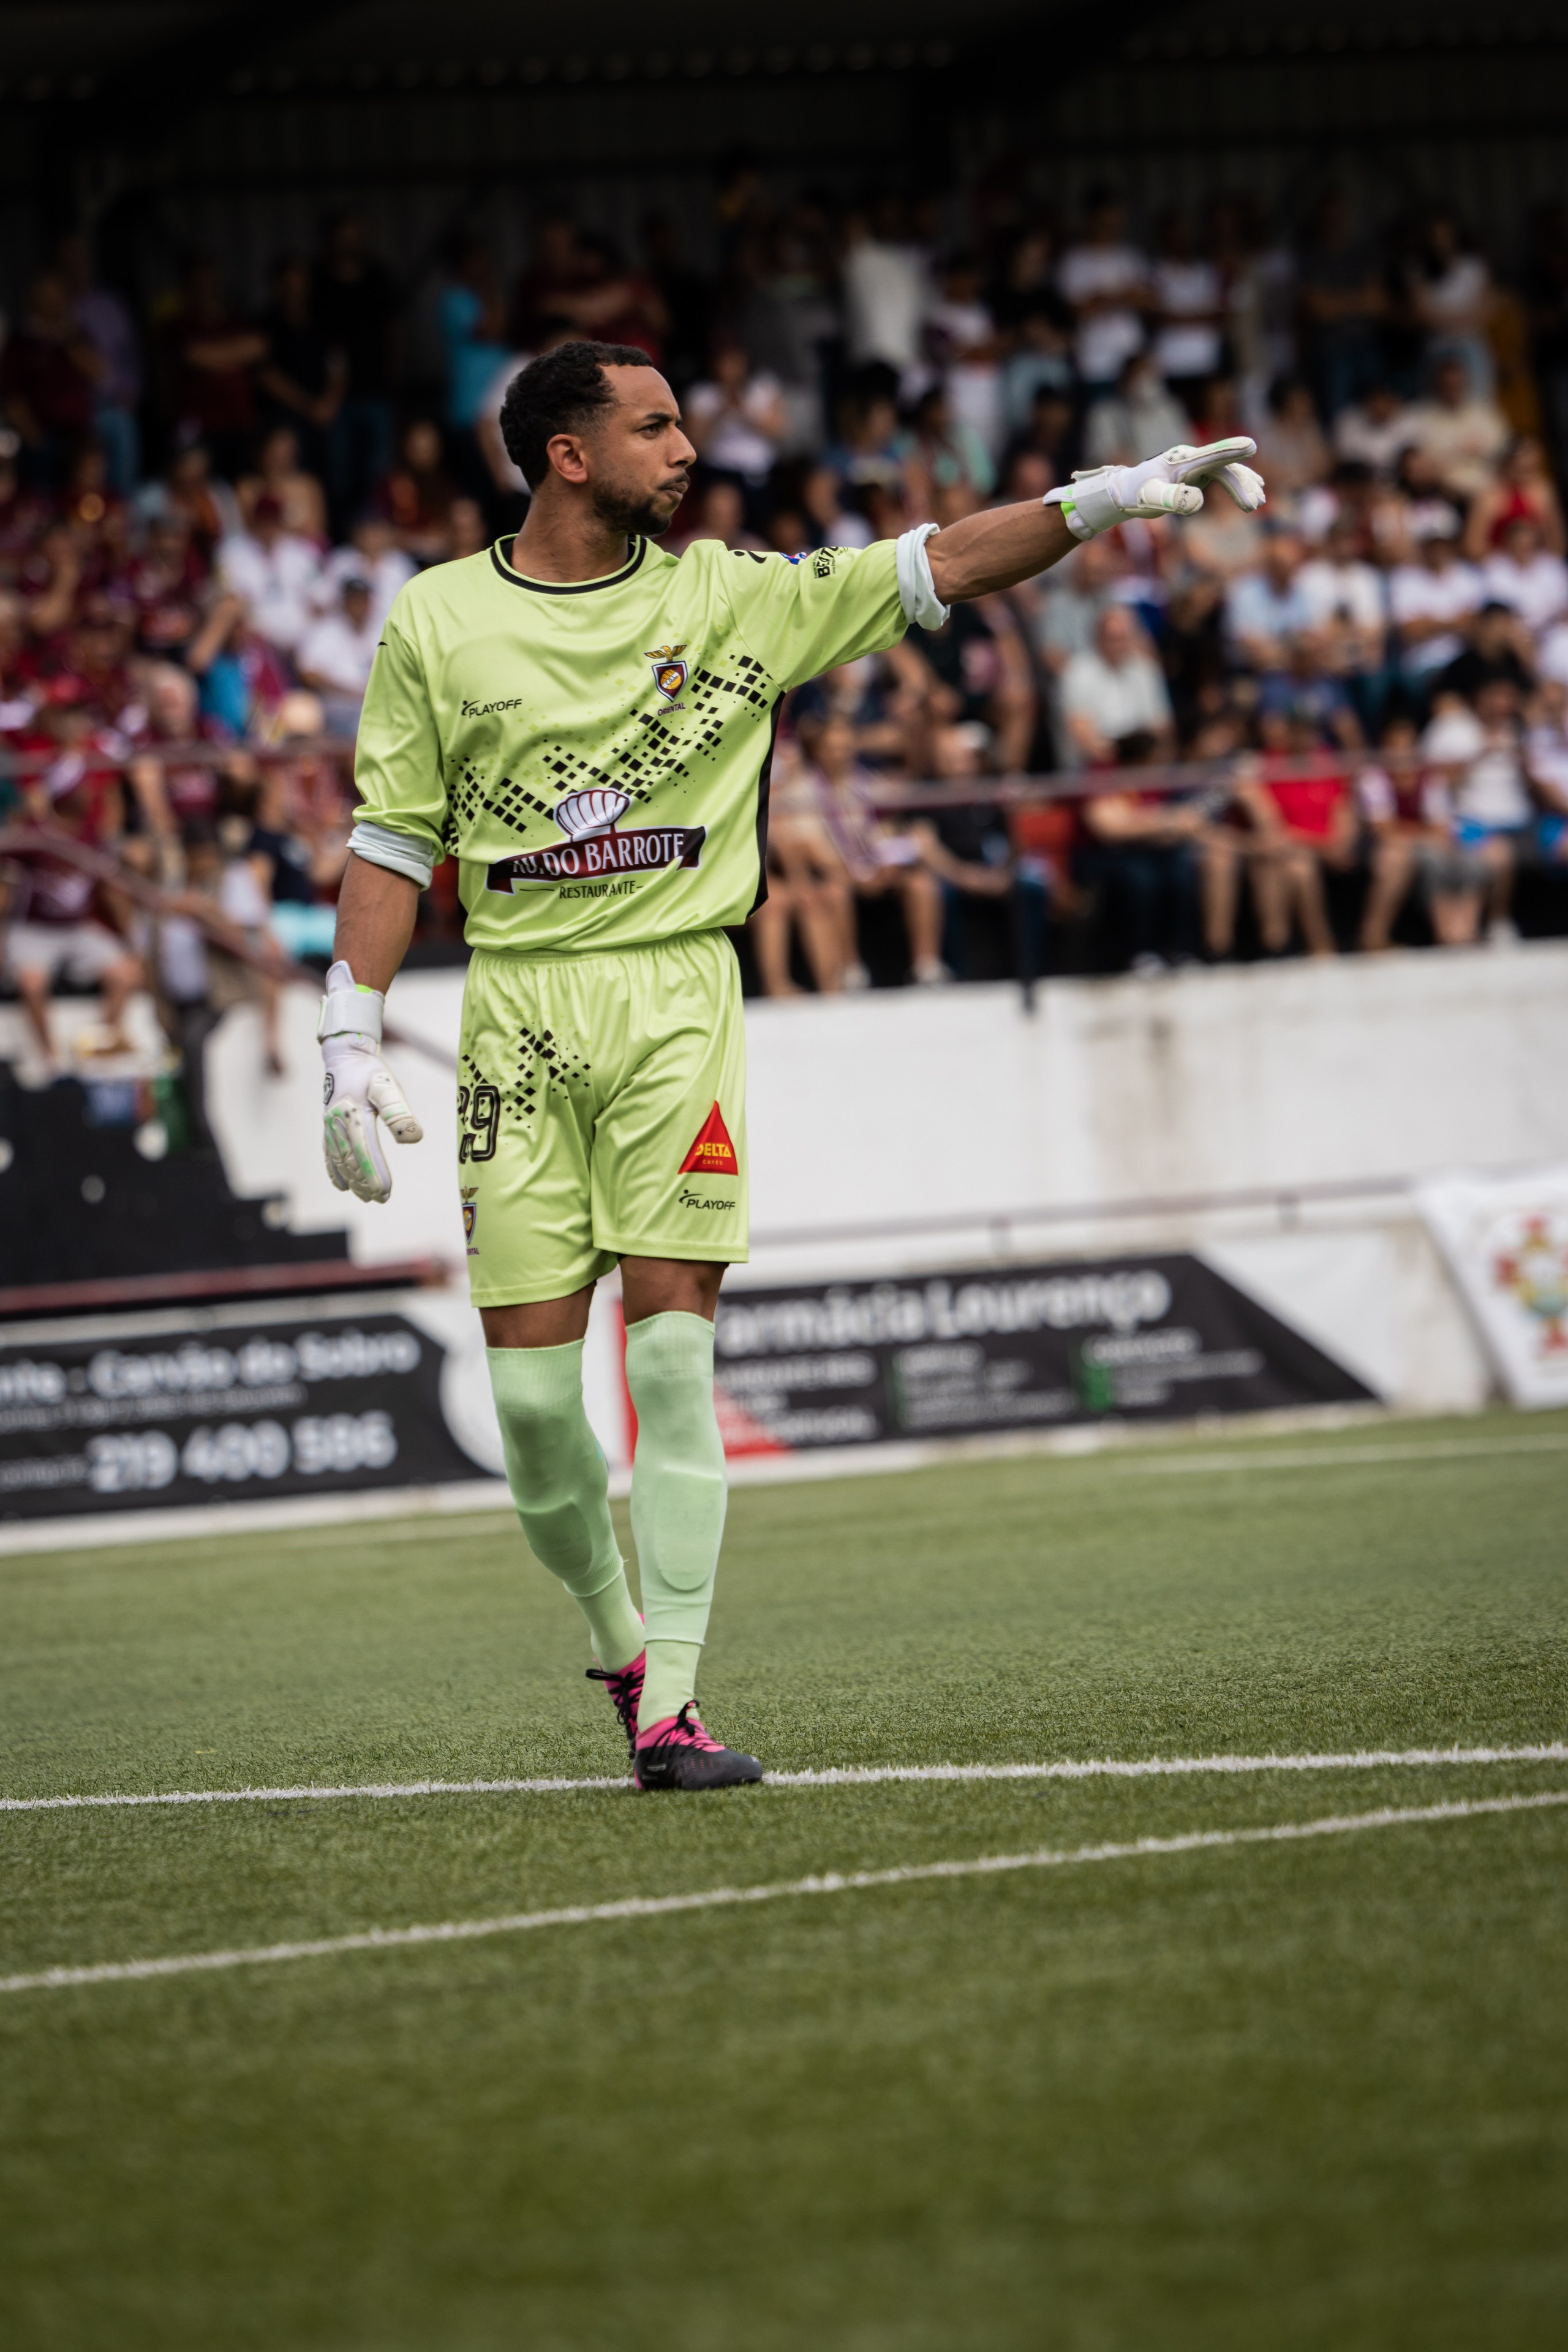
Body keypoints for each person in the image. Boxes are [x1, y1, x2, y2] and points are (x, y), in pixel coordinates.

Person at [320, 337, 1265, 1787]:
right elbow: (391, 840)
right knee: (526, 1408)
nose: (685, 448)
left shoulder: (732, 596)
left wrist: (1107, 499)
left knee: (673, 1362)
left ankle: (674, 1708)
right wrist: (345, 1033)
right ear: (566, 455)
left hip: (678, 1001)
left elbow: (933, 563)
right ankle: (621, 1645)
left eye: (681, 421)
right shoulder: (437, 619)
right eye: (652, 427)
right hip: (513, 1015)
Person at [296, 573, 380, 736]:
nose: (360, 606)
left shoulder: (380, 630)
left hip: (373, 702)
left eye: (364, 600)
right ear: (345, 602)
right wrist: (351, 693)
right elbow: (308, 674)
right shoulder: (326, 630)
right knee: (364, 721)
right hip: (337, 704)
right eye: (355, 600)